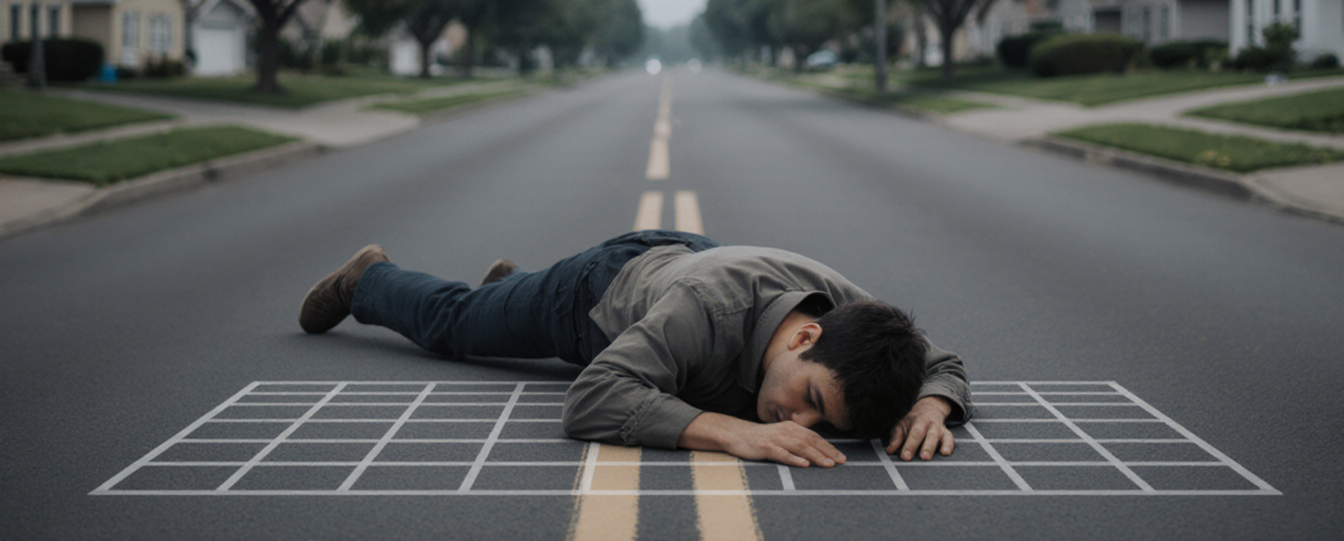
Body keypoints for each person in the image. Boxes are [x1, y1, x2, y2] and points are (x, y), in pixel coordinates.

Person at [299, 230, 971, 468]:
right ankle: (370, 279)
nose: (801, 423)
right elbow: (591, 398)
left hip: (689, 262)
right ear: (803, 336)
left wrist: (930, 405)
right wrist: (735, 432)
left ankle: (512, 289)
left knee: (504, 306)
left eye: (823, 424)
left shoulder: (849, 317)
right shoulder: (703, 310)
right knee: (459, 326)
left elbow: (937, 359)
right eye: (810, 399)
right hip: (593, 292)